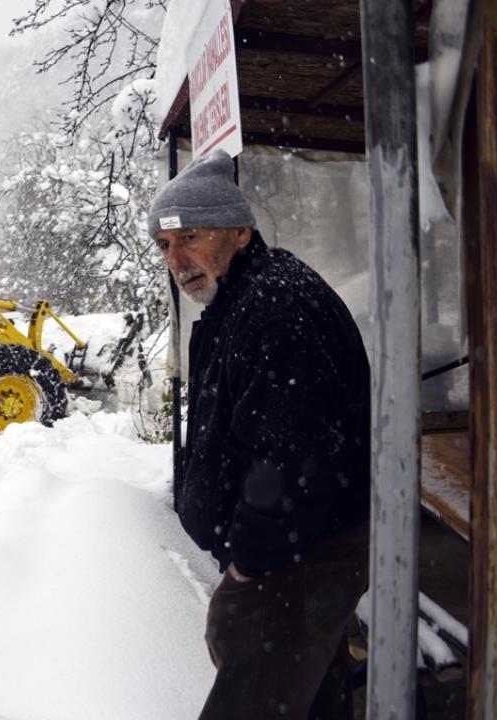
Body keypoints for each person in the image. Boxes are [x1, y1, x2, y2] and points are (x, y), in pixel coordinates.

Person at [150, 150, 371, 720]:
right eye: (165, 245)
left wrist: (248, 565)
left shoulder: (275, 309)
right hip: (288, 556)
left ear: (240, 231)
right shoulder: (238, 300)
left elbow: (293, 463)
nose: (178, 259)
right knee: (311, 697)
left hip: (291, 564)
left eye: (190, 237)